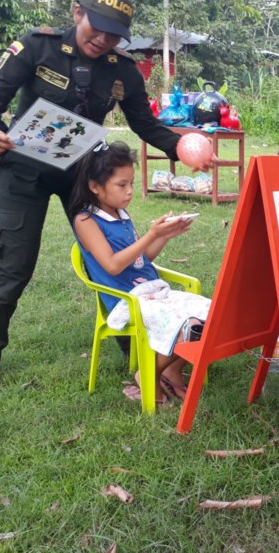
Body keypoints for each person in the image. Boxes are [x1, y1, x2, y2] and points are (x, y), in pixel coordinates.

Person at [0, 0, 212, 395]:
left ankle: (131, 343)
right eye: (96, 28)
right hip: (24, 170)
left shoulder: (122, 68)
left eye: (113, 34)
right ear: (77, 13)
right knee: (12, 266)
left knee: (116, 255)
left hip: (83, 176)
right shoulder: (37, 47)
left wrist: (183, 148)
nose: (102, 39)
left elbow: (144, 124)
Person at [70, 142, 209, 405]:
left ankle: (171, 369)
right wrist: (151, 235)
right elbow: (112, 266)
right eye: (121, 185)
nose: (130, 191)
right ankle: (147, 374)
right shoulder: (86, 221)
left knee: (210, 315)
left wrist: (165, 235)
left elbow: (141, 260)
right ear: (95, 186)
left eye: (132, 183)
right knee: (191, 327)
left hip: (152, 291)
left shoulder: (121, 214)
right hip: (127, 300)